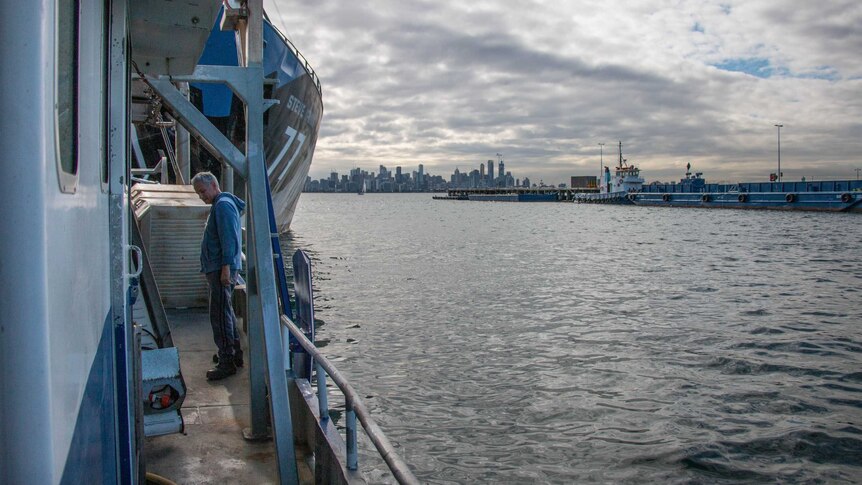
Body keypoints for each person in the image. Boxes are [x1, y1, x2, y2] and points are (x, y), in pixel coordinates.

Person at [192, 172, 246, 380]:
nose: (201, 196)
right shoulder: (221, 204)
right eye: (199, 193)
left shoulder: (223, 205)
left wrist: (225, 268)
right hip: (218, 268)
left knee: (220, 315)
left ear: (214, 185)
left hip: (220, 270)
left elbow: (230, 239)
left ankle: (227, 362)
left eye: (203, 191)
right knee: (226, 312)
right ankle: (234, 354)